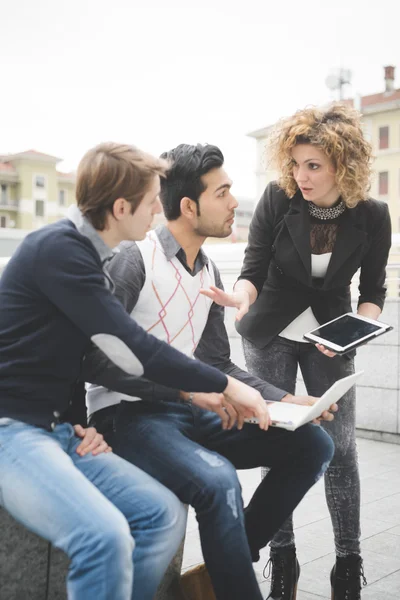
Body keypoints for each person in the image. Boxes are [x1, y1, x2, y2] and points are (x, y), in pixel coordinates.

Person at [0, 142, 272, 600]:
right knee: (103, 537)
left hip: (55, 431)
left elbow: (70, 356)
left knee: (162, 514)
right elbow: (131, 346)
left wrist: (77, 424)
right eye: (150, 203)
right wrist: (222, 385)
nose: (157, 213)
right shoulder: (59, 251)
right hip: (12, 429)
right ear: (121, 207)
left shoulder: (91, 258)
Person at [84, 143, 336, 600]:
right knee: (219, 479)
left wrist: (285, 400)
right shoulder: (135, 259)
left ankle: (232, 557)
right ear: (187, 206)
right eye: (222, 193)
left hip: (190, 412)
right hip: (128, 415)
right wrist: (185, 393)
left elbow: (218, 364)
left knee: (313, 443)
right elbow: (97, 359)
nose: (235, 203)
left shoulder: (208, 272)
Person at [203, 105, 392, 600]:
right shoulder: (277, 197)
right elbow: (253, 265)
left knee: (342, 449)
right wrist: (240, 298)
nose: (300, 176)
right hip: (268, 328)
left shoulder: (372, 215)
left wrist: (364, 324)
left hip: (332, 334)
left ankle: (347, 564)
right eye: (296, 163)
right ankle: (282, 561)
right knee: (278, 439)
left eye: (313, 166)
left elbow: (373, 288)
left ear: (342, 167)